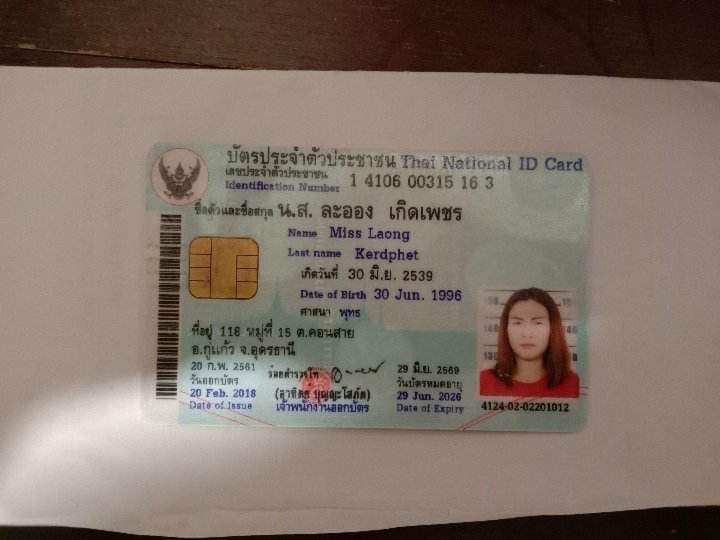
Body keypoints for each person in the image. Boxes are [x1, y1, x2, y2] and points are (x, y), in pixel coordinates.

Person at [479, 287, 579, 398]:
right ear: (505, 329)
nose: (527, 333)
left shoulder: (574, 384)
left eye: (537, 323)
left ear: (552, 329)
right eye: (517, 323)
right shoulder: (483, 382)